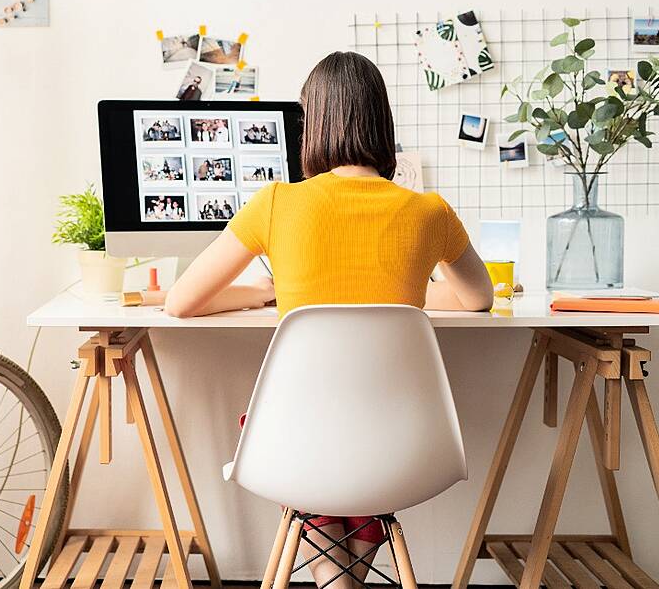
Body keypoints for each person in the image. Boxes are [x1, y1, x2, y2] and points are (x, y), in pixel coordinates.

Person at [161, 51, 493, 588]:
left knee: (294, 425)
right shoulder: (429, 212)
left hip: (293, 447)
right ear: (383, 124)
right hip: (402, 447)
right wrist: (406, 293)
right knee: (362, 433)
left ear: (311, 123)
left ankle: (333, 581)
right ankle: (343, 581)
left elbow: (181, 301)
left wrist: (265, 292)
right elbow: (479, 297)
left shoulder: (275, 203)